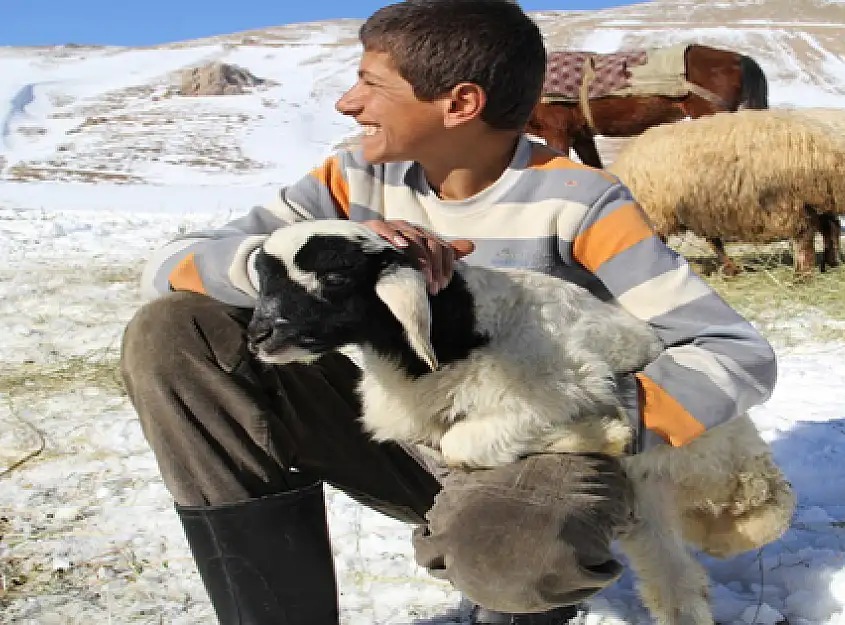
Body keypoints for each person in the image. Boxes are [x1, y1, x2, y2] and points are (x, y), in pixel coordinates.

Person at [119, 1, 784, 623]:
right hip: (406, 430)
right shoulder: (353, 181)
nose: (346, 103)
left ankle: (527, 575)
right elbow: (169, 263)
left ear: (460, 102)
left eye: (370, 84)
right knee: (175, 334)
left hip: (538, 450)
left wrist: (606, 419)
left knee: (510, 551)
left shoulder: (579, 201)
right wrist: (292, 256)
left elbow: (734, 352)